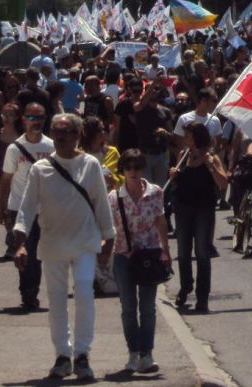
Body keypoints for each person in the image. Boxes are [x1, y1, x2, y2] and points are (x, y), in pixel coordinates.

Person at [13, 113, 116, 381]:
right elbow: (26, 207)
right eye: (56, 131)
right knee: (56, 300)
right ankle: (62, 355)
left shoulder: (90, 165)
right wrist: (20, 243)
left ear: (77, 135)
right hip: (53, 243)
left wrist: (109, 237)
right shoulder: (40, 169)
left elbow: (101, 203)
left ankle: (82, 355)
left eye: (66, 131)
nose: (60, 136)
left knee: (84, 294)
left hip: (84, 242)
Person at [109, 149, 172, 374]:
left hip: (149, 254)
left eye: (137, 167)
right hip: (124, 255)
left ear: (143, 168)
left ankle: (147, 354)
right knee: (128, 307)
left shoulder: (155, 192)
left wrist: (166, 250)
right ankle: (133, 354)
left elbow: (161, 221)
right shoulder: (114, 197)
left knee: (147, 307)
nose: (133, 171)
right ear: (123, 170)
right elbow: (109, 227)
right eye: (128, 167)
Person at [170, 123, 229, 312]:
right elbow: (177, 181)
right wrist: (174, 175)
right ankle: (185, 286)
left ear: (197, 137)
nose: (185, 139)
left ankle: (202, 296)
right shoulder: (183, 155)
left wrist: (210, 166)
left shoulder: (211, 157)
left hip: (204, 209)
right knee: (183, 251)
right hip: (183, 208)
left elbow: (223, 183)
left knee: (202, 252)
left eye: (188, 136)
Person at [0, 102, 55, 299]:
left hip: (44, 208)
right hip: (20, 208)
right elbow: (6, 180)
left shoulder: (51, 146)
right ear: (24, 119)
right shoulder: (14, 149)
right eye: (32, 117)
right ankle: (28, 292)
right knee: (26, 251)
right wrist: (1, 208)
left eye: (40, 117)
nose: (36, 121)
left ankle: (31, 290)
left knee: (39, 254)